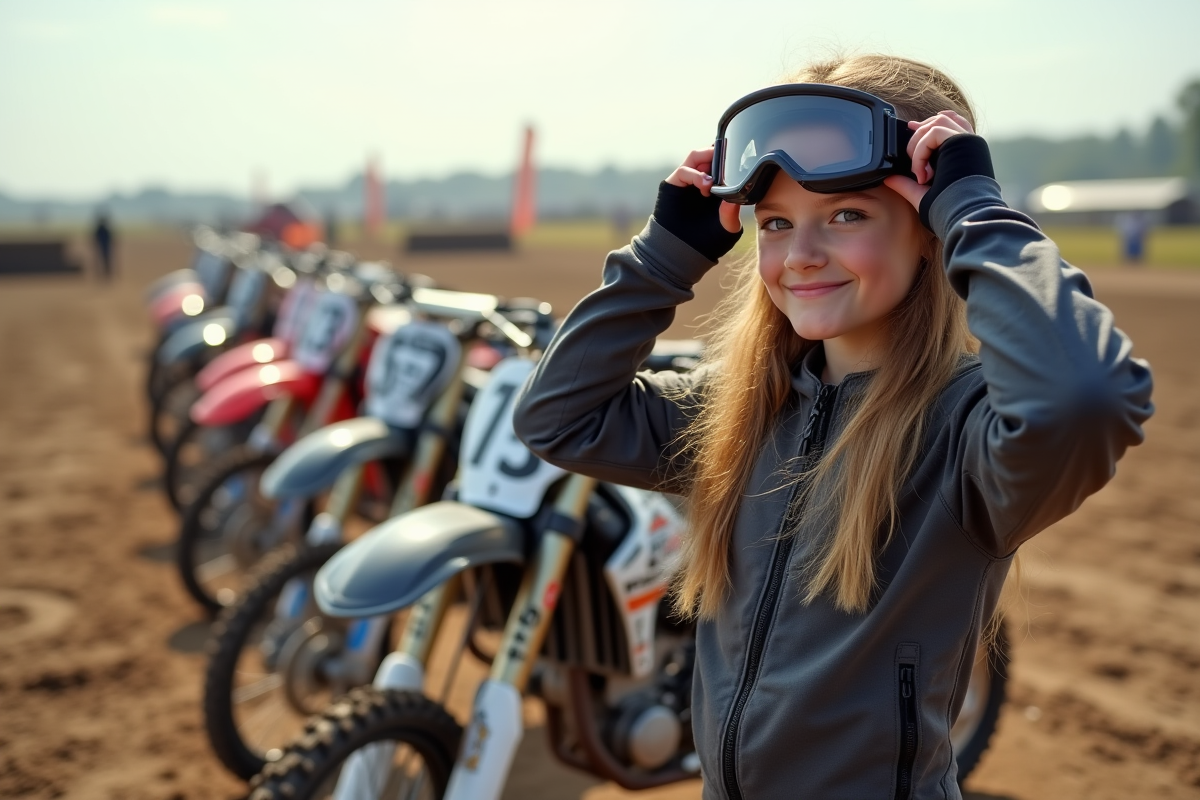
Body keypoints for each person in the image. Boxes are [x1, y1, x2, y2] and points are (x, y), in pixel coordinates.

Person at [513, 54, 1153, 800]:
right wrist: (664, 255)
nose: (802, 257)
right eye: (777, 223)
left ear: (928, 229)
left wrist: (974, 212)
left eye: (847, 215)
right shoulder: (737, 412)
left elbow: (1085, 397)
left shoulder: (964, 434)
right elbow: (559, 416)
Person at [92, 211, 114, 281]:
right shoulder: (101, 230)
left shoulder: (103, 230)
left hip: (104, 247)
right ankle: (101, 274)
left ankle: (106, 273)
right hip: (101, 247)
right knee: (101, 260)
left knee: (105, 260)